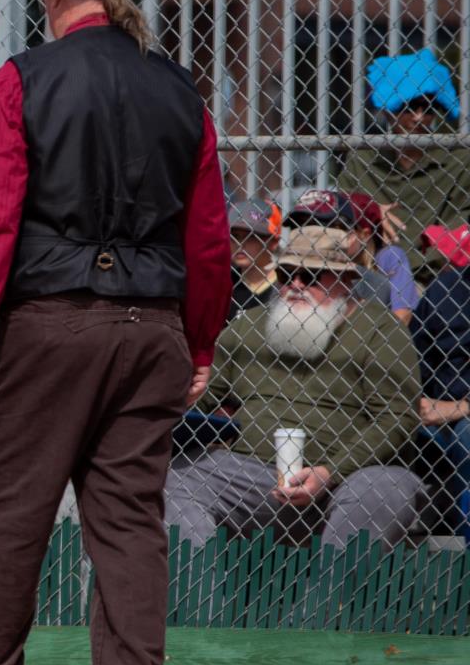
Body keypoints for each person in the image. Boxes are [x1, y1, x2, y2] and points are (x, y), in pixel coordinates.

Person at [0, 0, 230, 665]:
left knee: (15, 513)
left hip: (52, 322)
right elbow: (207, 239)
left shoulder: (23, 80)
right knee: (130, 522)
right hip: (155, 327)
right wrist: (199, 339)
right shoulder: (181, 92)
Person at [168, 226, 426, 551]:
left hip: (348, 479)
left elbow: (398, 417)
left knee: (386, 489)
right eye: (286, 274)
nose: (295, 285)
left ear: (346, 281)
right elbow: (203, 399)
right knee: (174, 480)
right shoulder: (249, 325)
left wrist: (331, 471)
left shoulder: (380, 330)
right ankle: (197, 599)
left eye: (311, 276)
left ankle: (331, 602)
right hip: (253, 474)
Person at [341, 50, 468, 272]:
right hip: (373, 272)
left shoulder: (458, 161)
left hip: (437, 274)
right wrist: (367, 209)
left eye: (428, 107)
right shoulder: (363, 159)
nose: (419, 117)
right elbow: (337, 207)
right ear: (388, 108)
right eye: (409, 106)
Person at [286, 188, 419, 322]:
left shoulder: (387, 257)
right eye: (303, 226)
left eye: (330, 228)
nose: (314, 235)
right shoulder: (301, 258)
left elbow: (401, 317)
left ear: (364, 235)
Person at [410, 251, 470, 541]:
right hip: (435, 415)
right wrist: (412, 399)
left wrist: (463, 407)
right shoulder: (445, 289)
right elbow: (413, 359)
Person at [227, 197, 281, 318]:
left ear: (273, 242)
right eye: (235, 236)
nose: (240, 244)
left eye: (251, 236)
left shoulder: (286, 285)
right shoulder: (224, 284)